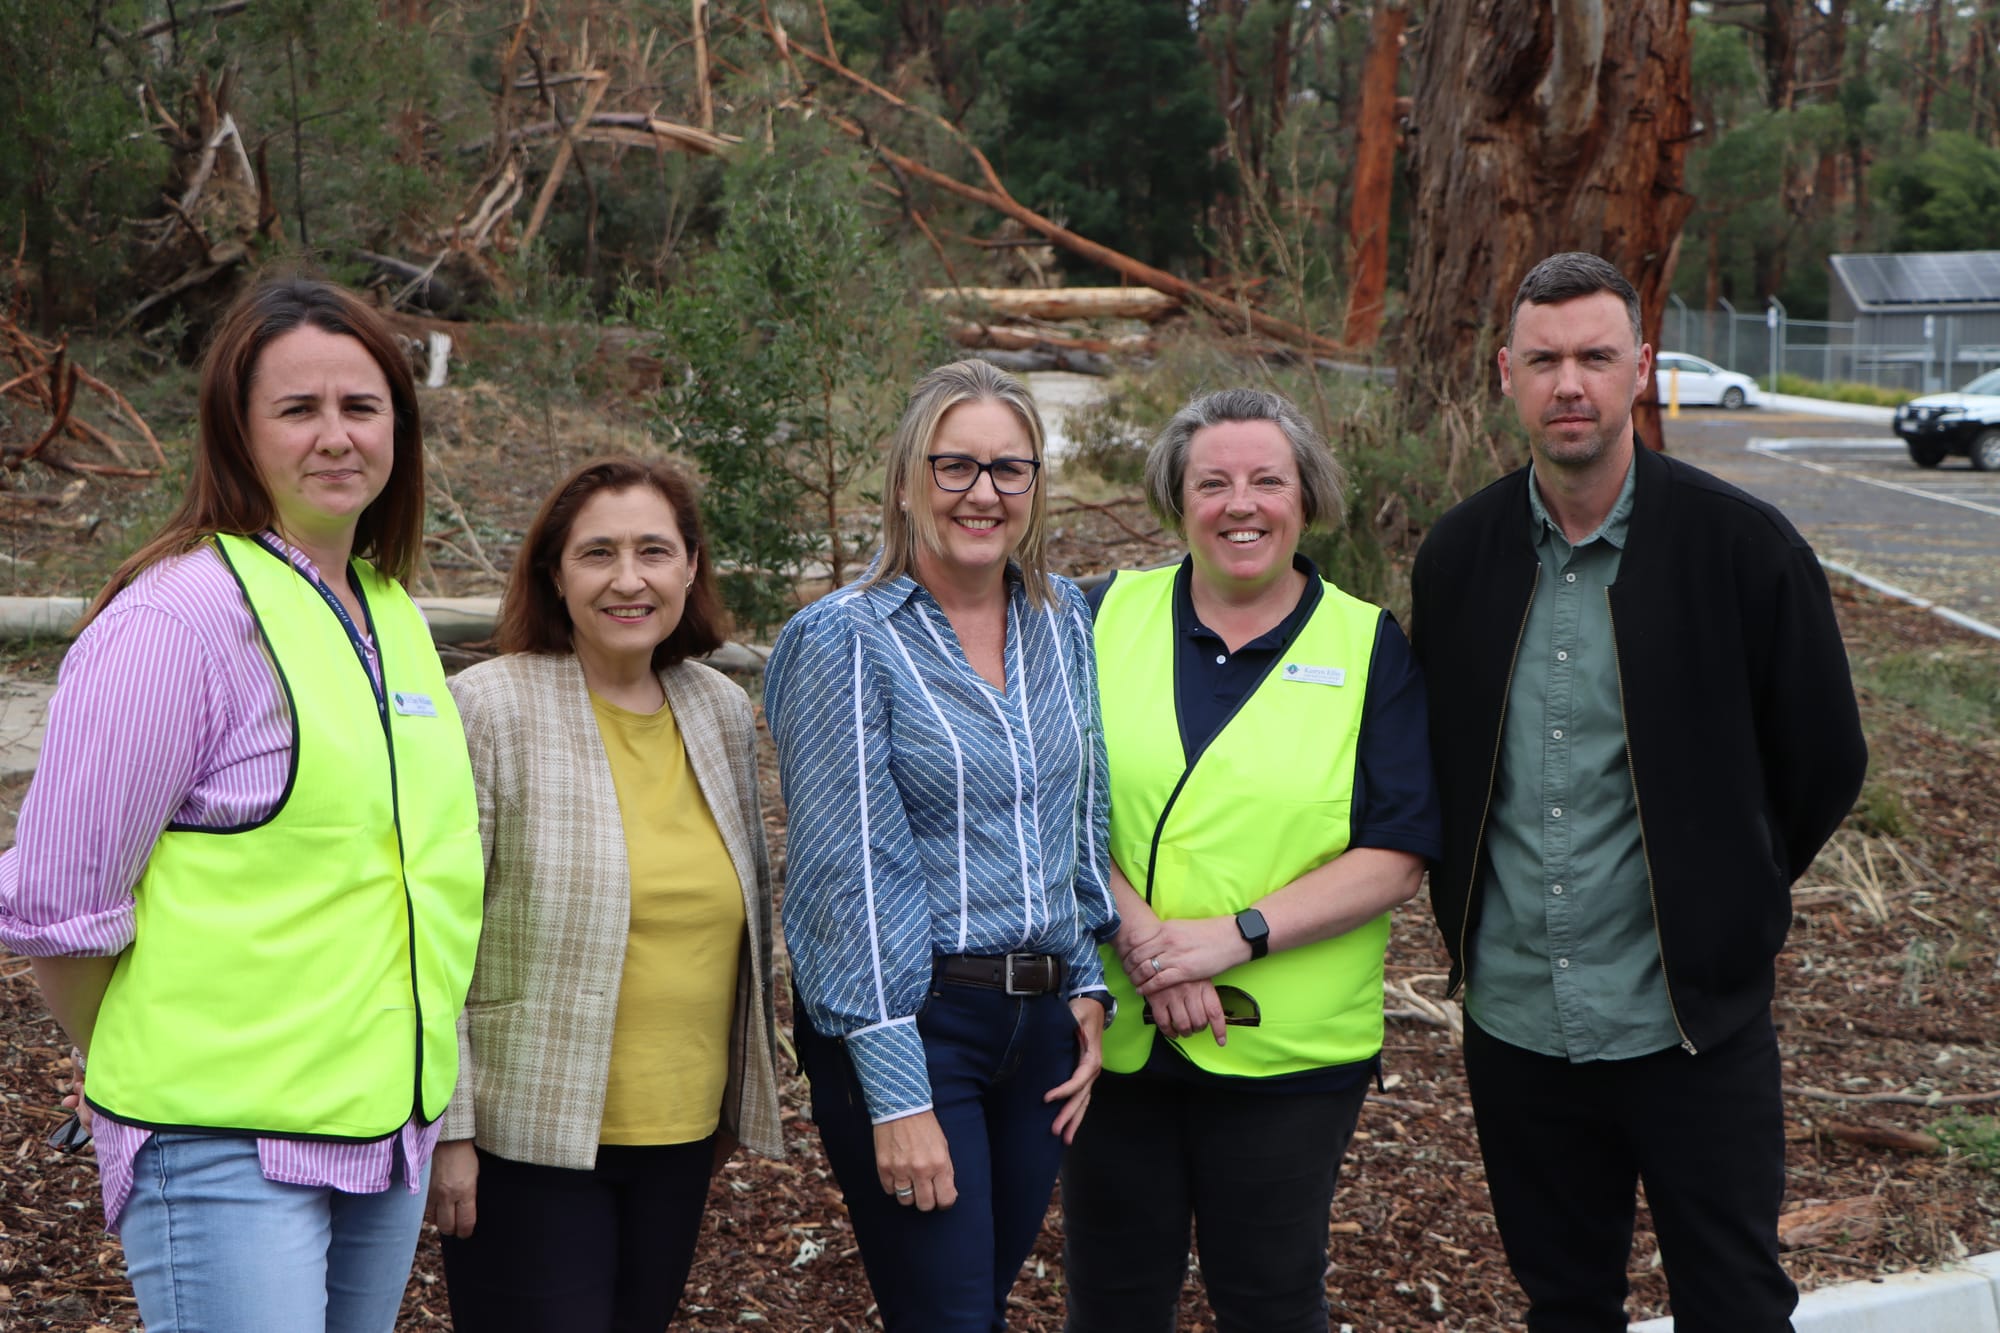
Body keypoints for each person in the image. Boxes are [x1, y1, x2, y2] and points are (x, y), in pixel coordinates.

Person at [0, 278, 484, 1332]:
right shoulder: (178, 620)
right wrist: (133, 1057)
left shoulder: (390, 615)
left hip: (382, 1133)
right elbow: (54, 908)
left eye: (361, 407)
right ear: (236, 429)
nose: (335, 436)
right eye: (297, 409)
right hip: (222, 1147)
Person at [1410, 251, 1868, 1333]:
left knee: (1735, 1303)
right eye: (1543, 359)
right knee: (1563, 1304)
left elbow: (1822, 759)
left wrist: (1722, 888)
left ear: (1638, 367)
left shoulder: (1741, 548)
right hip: (1518, 1022)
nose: (1568, 382)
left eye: (1594, 356)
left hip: (1687, 1021)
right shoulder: (1460, 557)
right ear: (1506, 375)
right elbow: (1437, 759)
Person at [1061, 388, 1440, 1332]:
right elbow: (1045, 806)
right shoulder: (1097, 615)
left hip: (1289, 1055)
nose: (1242, 504)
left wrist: (1231, 940)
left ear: (1305, 497)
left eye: (1268, 480)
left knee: (1270, 1299)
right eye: (1213, 482)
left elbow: (1395, 854)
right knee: (1110, 1299)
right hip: (1111, 1033)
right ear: (1175, 501)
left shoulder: (1366, 646)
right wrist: (1150, 945)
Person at [763, 358, 1116, 1332]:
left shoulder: (1061, 623)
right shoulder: (843, 639)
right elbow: (846, 874)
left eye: (1010, 468)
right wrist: (894, 1091)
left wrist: (1085, 979)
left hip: (1037, 1029)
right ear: (906, 481)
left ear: (1037, 486)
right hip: (916, 1025)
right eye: (954, 465)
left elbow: (1076, 815)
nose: (983, 492)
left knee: (965, 1307)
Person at [426, 456, 783, 1331]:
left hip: (683, 1131)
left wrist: (738, 1094)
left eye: (654, 551)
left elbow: (743, 922)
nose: (630, 579)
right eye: (598, 554)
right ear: (555, 571)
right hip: (528, 1135)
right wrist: (451, 1130)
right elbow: (431, 938)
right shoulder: (488, 707)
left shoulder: (719, 709)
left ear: (691, 567)